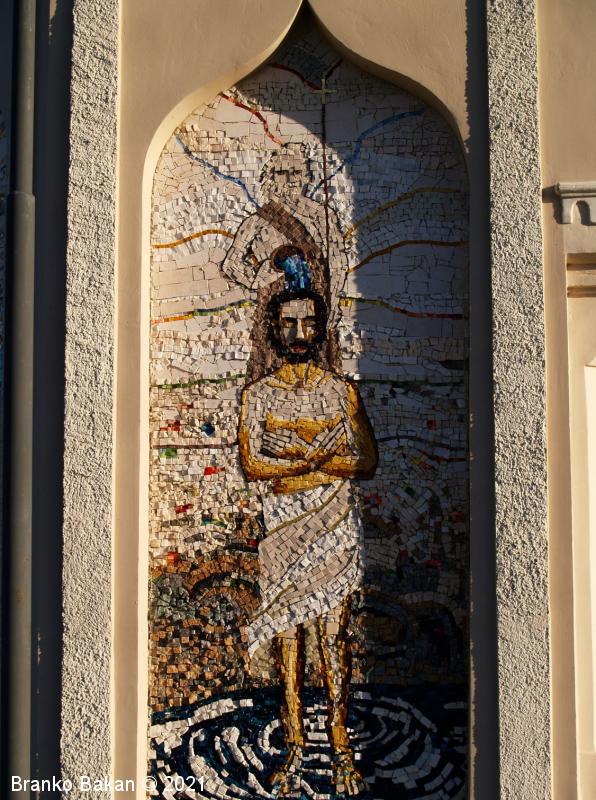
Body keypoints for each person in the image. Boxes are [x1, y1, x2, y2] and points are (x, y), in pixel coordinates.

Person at [237, 288, 378, 796]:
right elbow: (254, 464)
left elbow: (365, 461)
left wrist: (294, 455)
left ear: (321, 328)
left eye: (309, 323)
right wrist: (320, 454)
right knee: (288, 638)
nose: (299, 334)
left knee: (333, 640)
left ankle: (341, 746)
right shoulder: (258, 394)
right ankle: (294, 744)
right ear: (274, 329)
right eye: (289, 323)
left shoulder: (340, 391)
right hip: (283, 528)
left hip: (333, 523)